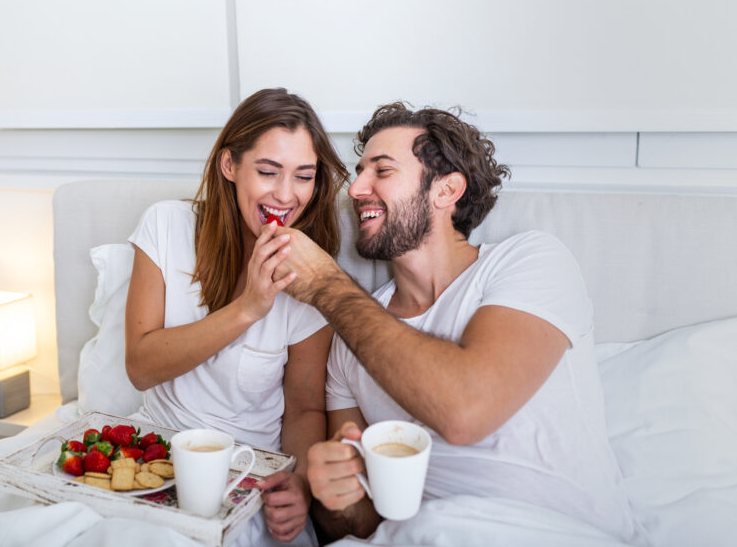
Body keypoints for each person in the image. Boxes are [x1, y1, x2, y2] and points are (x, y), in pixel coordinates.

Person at [268, 102, 645, 544]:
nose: (355, 189)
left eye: (382, 171)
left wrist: (328, 286)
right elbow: (359, 525)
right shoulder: (348, 337)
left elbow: (466, 411)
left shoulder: (528, 262)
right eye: (359, 170)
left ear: (446, 190)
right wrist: (336, 496)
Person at [124, 88, 349, 545]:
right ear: (230, 165)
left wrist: (300, 483)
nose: (285, 195)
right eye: (268, 171)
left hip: (247, 475)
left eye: (303, 176)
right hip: (155, 458)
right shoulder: (166, 226)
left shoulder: (315, 274)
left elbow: (304, 407)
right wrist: (248, 308)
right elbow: (140, 367)